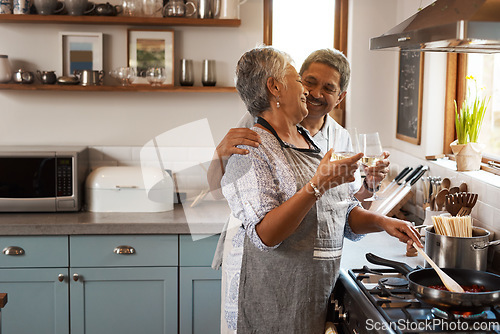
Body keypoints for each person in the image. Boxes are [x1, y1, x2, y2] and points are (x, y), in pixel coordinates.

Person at [219, 45, 422, 333]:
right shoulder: (251, 145)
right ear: (275, 87)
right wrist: (317, 185)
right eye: (300, 79)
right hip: (274, 299)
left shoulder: (309, 141)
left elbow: (339, 209)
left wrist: (383, 222)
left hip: (313, 293)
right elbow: (266, 234)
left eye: (326, 87)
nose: (307, 90)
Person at [207, 48, 390, 208]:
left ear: (340, 97)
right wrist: (220, 153)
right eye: (309, 82)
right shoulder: (259, 121)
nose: (315, 93)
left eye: (328, 88)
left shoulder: (340, 137)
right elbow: (217, 192)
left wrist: (370, 185)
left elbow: (350, 207)